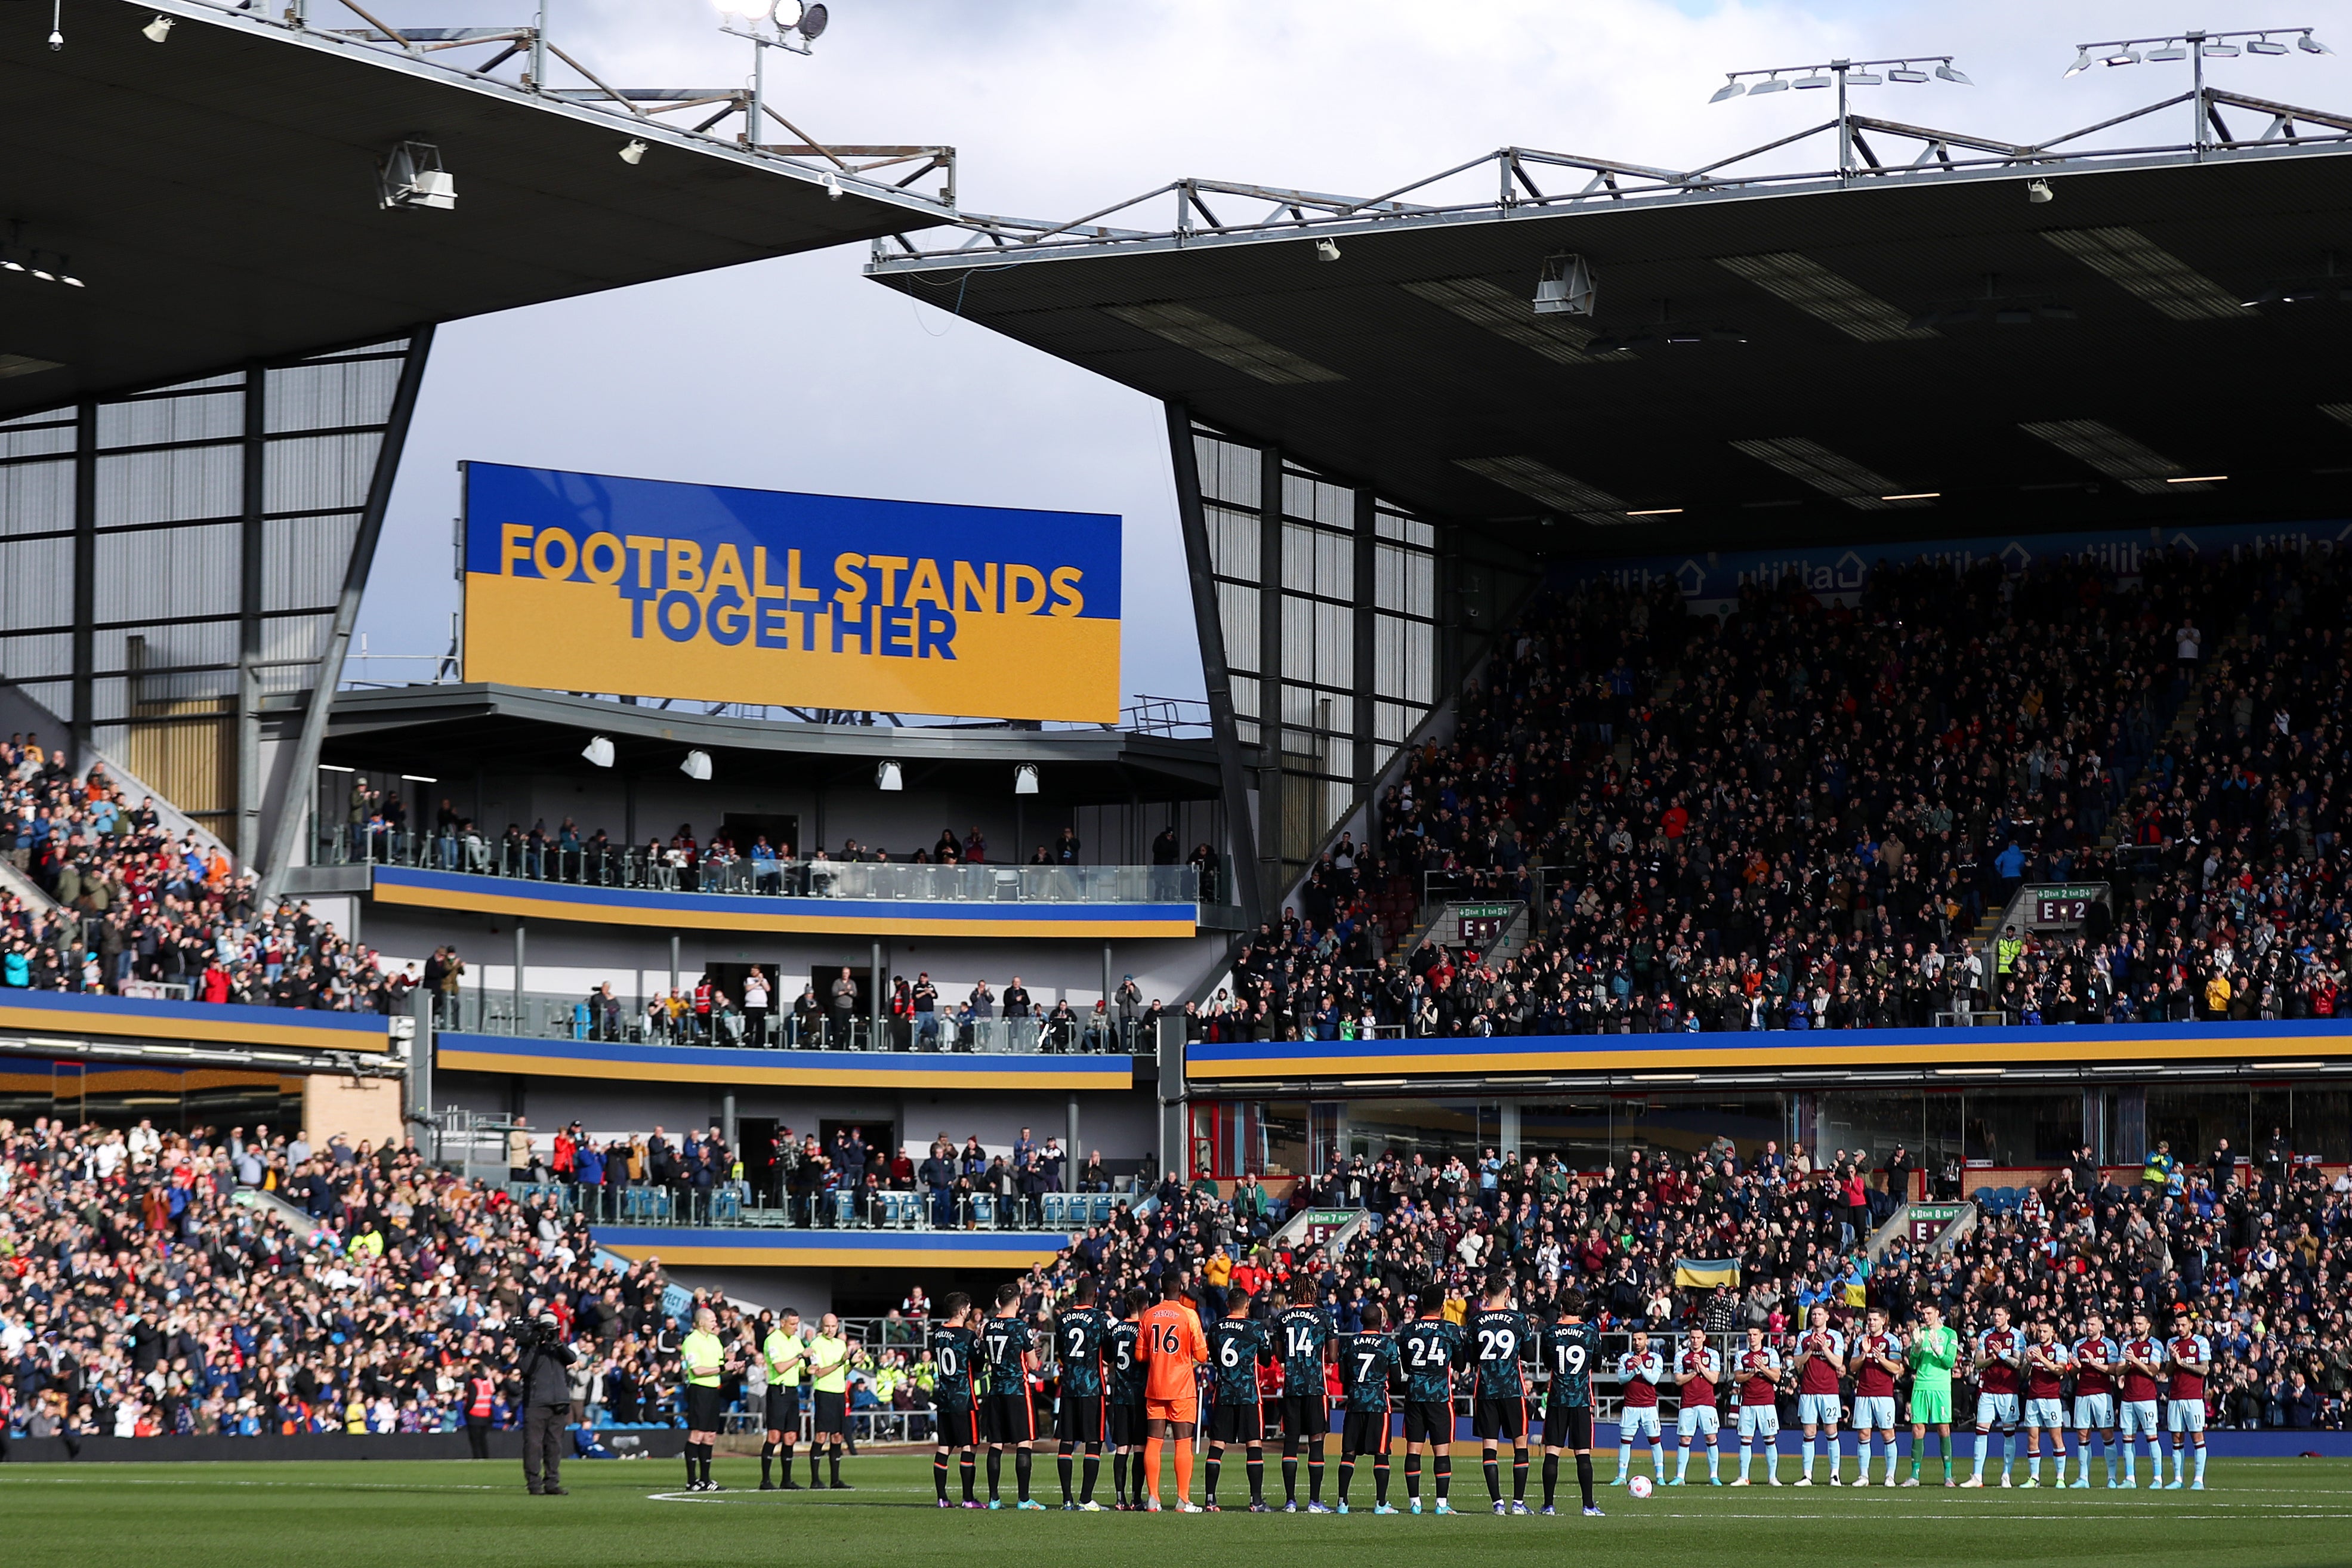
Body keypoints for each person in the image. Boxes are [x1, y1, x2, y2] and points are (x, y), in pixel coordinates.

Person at [1137, 1274, 1209, 1511]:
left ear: (1161, 1289)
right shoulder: (1189, 1315)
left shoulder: (1148, 1315)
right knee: (1182, 1443)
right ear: (1181, 1289)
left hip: (1156, 1386)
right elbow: (1202, 1355)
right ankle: (1183, 1499)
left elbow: (1140, 1356)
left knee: (1154, 1442)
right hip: (1182, 1388)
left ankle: (1153, 1498)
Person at [1468, 1275, 1534, 1512]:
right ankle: (1518, 1503)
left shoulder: (1476, 1321)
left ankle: (1497, 1503)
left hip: (1486, 1389)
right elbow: (1528, 1353)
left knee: (1490, 1446)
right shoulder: (1518, 1319)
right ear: (1507, 1292)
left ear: (1486, 1293)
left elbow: (1472, 1357)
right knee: (1520, 1444)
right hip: (1512, 1389)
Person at [1203, 1286, 1271, 1511]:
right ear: (1248, 1305)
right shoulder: (1255, 1328)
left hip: (1224, 1394)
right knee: (1254, 1445)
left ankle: (1210, 1499)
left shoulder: (1215, 1328)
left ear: (1227, 1305)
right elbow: (1266, 1360)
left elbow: (1213, 1358)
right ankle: (1256, 1501)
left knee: (1216, 1446)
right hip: (1248, 1395)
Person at [1397, 1287, 1465, 1514]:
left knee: (1413, 1450)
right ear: (1443, 1306)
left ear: (1421, 1304)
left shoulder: (1408, 1330)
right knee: (1442, 1452)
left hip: (1415, 1395)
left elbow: (1405, 1366)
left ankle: (1415, 1502)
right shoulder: (1449, 1329)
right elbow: (1461, 1365)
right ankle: (1441, 1504)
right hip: (1440, 1397)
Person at [1270, 1281, 1335, 1512]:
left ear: (1296, 1292)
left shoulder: (1282, 1317)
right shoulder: (1325, 1317)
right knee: (1316, 1442)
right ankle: (1315, 1501)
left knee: (1291, 1442)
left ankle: (1290, 1501)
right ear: (1314, 1292)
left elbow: (1278, 1356)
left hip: (1292, 1387)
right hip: (1316, 1387)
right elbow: (1334, 1356)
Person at [1537, 1287, 1601, 1517]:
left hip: (1557, 1399)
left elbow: (1547, 1363)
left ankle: (1548, 1505)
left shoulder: (1550, 1332)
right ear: (1581, 1307)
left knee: (1552, 1452)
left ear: (1561, 1308)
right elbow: (1597, 1365)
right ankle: (1588, 1506)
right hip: (1582, 1399)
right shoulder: (1591, 1333)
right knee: (1583, 1454)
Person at [980, 1283, 1043, 1508]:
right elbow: (1033, 1365)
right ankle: (1023, 1499)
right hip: (1017, 1390)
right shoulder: (1021, 1327)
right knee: (1023, 1443)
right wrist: (1038, 1355)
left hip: (996, 1390)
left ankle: (994, 1498)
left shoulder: (988, 1327)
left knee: (996, 1444)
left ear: (999, 1302)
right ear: (1018, 1301)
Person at [1051, 1276, 1111, 1509]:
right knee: (1093, 1442)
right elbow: (1108, 1355)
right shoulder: (1099, 1318)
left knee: (1067, 1441)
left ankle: (1067, 1499)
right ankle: (1086, 1499)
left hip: (1069, 1387)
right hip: (1092, 1387)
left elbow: (1061, 1352)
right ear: (1095, 1295)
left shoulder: (1062, 1319)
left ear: (1076, 1294)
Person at [1335, 1300, 1400, 1514]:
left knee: (1349, 1453)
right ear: (1381, 1322)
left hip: (1354, 1403)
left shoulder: (1349, 1343)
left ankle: (1342, 1502)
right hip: (1378, 1404)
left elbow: (1343, 1376)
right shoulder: (1388, 1344)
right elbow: (1397, 1378)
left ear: (1361, 1321)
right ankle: (1381, 1503)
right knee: (1381, 1454)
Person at [930, 1292, 984, 1508]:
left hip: (944, 1398)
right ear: (962, 1311)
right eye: (968, 1308)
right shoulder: (967, 1336)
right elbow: (978, 1366)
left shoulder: (937, 1334)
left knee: (944, 1446)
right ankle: (968, 1498)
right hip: (964, 1399)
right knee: (969, 1446)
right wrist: (979, 1342)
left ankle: (942, 1498)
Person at [1962, 1302, 2024, 1487]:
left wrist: (2002, 1355)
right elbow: (1979, 1363)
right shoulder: (1985, 1335)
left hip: (2008, 1391)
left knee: (2008, 1433)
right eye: (1994, 1314)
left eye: (1999, 1314)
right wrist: (1993, 1358)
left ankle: (2006, 1475)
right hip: (1988, 1390)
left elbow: (2018, 1364)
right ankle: (1977, 1477)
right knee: (1981, 1431)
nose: (1996, 1317)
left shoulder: (2017, 1336)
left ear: (2007, 1316)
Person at [518, 1311, 579, 1496]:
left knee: (555, 1445)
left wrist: (557, 1343)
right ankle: (534, 1484)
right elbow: (525, 1368)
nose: (548, 1332)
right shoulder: (529, 1348)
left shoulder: (558, 1348)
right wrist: (535, 1345)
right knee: (534, 1445)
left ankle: (552, 1482)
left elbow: (572, 1358)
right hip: (536, 1403)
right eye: (545, 1329)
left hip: (559, 1403)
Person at [1791, 1303, 1847, 1484]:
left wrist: (1823, 1348)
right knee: (1809, 1432)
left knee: (1831, 1431)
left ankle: (1835, 1475)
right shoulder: (1804, 1337)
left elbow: (1838, 1363)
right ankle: (1807, 1475)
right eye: (1814, 1314)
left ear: (1827, 1317)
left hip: (1829, 1391)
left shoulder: (1835, 1336)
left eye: (1819, 1314)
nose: (1816, 1317)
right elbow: (1797, 1363)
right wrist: (1810, 1349)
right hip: (1808, 1390)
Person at [1905, 1302, 1959, 1487]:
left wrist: (1938, 1350)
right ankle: (1914, 1476)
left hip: (1941, 1387)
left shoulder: (1950, 1334)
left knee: (1943, 1428)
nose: (1926, 1317)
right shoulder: (1920, 1334)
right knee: (1917, 1429)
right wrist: (1917, 1349)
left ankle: (1948, 1476)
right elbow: (1913, 1364)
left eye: (1929, 1313)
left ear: (1938, 1312)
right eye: (1923, 1313)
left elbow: (1950, 1363)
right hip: (1921, 1385)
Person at [1848, 1308, 1903, 1487]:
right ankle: (1864, 1476)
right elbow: (1853, 1368)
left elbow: (1896, 1369)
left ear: (1883, 1321)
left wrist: (1881, 1359)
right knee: (1864, 1433)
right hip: (1864, 1393)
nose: (1871, 1323)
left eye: (1874, 1320)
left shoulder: (1891, 1341)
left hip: (1884, 1394)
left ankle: (1890, 1476)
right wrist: (1864, 1354)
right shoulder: (1860, 1340)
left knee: (1887, 1433)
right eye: (1869, 1320)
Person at [680, 1305, 730, 1492]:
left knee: (710, 1435)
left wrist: (732, 1367)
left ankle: (706, 1479)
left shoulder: (716, 1340)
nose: (715, 1322)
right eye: (712, 1320)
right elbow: (697, 1370)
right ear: (701, 1322)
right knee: (697, 1434)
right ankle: (691, 1480)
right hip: (699, 1390)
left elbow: (720, 1365)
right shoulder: (691, 1341)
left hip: (713, 1390)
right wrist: (723, 1368)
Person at [2070, 1311, 2123, 1489]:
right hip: (2082, 1393)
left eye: (2093, 1324)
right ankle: (2083, 1478)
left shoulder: (2109, 1345)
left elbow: (2115, 1369)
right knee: (2083, 1435)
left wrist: (2095, 1364)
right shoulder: (2078, 1344)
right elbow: (2071, 1373)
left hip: (2102, 1393)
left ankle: (2112, 1478)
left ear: (2101, 1326)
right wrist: (2077, 1368)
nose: (2089, 1327)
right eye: (2088, 1324)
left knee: (2107, 1433)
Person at [1107, 1290, 1149, 1510]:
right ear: (1144, 1307)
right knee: (1140, 1448)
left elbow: (1107, 1359)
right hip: (1140, 1396)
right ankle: (1136, 1498)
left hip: (1120, 1395)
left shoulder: (1115, 1330)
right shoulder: (1145, 1329)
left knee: (1122, 1448)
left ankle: (1120, 1498)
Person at [2117, 1309, 2167, 1487]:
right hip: (2128, 1398)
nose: (2136, 1326)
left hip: (2146, 1398)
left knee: (2151, 1437)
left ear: (2148, 1326)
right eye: (2134, 1323)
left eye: (2140, 1323)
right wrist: (2127, 1365)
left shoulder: (2155, 1345)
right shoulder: (2127, 1345)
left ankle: (2158, 1478)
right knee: (2127, 1438)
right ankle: (2130, 1478)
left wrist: (2136, 1361)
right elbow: (2119, 1370)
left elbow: (2154, 1370)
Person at [1729, 1324, 1783, 1486]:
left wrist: (1762, 1368)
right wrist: (1752, 1373)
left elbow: (1776, 1377)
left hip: (1767, 1403)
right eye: (1750, 1334)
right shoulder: (1742, 1355)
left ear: (1761, 1336)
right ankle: (1744, 1477)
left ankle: (1773, 1478)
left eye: (1755, 1334)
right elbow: (1738, 1378)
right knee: (1746, 1439)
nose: (1752, 1337)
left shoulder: (1771, 1353)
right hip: (1747, 1403)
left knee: (1770, 1439)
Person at [759, 1308, 807, 1490]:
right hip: (778, 1390)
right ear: (783, 1323)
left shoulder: (796, 1341)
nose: (796, 1328)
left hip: (793, 1390)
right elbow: (779, 1367)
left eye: (797, 1324)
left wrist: (814, 1369)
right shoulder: (773, 1340)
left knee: (791, 1436)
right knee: (774, 1435)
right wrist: (800, 1357)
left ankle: (786, 1480)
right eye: (793, 1324)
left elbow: (802, 1369)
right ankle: (765, 1480)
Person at [2020, 1318, 2072, 1487]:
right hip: (2033, 1398)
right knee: (2032, 1437)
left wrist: (2042, 1359)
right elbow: (2023, 1374)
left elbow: (2060, 1370)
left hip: (2051, 1399)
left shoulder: (2059, 1349)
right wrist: (2027, 1361)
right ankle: (2034, 1477)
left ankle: (2060, 1477)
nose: (2041, 1334)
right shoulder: (2032, 1349)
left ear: (2052, 1332)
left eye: (2045, 1331)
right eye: (2039, 1331)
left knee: (2056, 1437)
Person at [1671, 1323, 1724, 1487]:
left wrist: (1700, 1366)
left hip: (1707, 1402)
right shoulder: (1681, 1356)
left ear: (1704, 1338)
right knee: (1685, 1438)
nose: (1695, 1341)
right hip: (1688, 1403)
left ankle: (1714, 1476)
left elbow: (1714, 1379)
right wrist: (1694, 1372)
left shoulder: (1713, 1354)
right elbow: (1678, 1380)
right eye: (1692, 1337)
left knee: (1711, 1437)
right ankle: (1680, 1476)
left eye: (1698, 1338)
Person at [2164, 1314, 2212, 1490]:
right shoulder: (2171, 1342)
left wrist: (2182, 1363)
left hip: (2193, 1397)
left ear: (2191, 1325)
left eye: (2183, 1325)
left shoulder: (2200, 1342)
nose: (2180, 1328)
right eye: (2177, 1325)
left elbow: (2204, 1369)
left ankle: (2198, 1480)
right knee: (2176, 1438)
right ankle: (2178, 1479)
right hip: (2175, 1397)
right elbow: (2167, 1372)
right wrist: (2172, 1359)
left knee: (2197, 1437)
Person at [1613, 1327, 1666, 1489]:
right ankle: (1621, 1476)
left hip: (1649, 1407)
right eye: (1635, 1339)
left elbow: (1654, 1379)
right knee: (1625, 1442)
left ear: (1647, 1341)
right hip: (1630, 1406)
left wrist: (1641, 1367)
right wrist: (1635, 1370)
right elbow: (1621, 1380)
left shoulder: (1655, 1358)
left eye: (1640, 1339)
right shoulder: (1625, 1358)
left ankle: (1660, 1476)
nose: (1637, 1343)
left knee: (1655, 1441)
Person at [806, 1312, 853, 1489]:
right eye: (827, 1326)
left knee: (837, 1435)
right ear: (822, 1326)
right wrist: (841, 1363)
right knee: (821, 1434)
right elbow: (819, 1372)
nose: (830, 1329)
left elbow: (843, 1371)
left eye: (833, 1326)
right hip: (824, 1391)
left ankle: (836, 1479)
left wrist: (853, 1363)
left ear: (838, 1326)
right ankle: (815, 1479)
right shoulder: (816, 1344)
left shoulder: (841, 1344)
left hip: (839, 1392)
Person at [463, 1358, 497, 1461]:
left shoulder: (474, 1383)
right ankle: (486, 1458)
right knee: (483, 1439)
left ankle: (478, 1459)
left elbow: (472, 1400)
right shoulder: (486, 1383)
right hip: (486, 1415)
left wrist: (466, 1411)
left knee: (475, 1440)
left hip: (475, 1415)